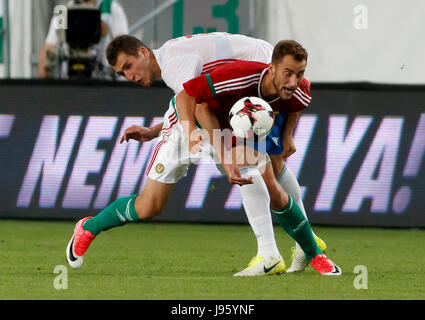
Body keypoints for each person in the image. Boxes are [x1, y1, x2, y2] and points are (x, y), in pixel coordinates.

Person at [66, 33, 327, 275]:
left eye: (128, 66)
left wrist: (216, 146)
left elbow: (199, 105)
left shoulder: (174, 64)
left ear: (144, 52)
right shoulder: (183, 63)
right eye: (121, 73)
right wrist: (158, 131)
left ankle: (276, 253)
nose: (128, 76)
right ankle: (88, 228)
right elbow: (192, 105)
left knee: (261, 166)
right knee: (148, 206)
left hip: (213, 114)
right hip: (201, 116)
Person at [38, 0, 128, 79]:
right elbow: (48, 49)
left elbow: (124, 50)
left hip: (103, 82)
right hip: (69, 81)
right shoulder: (63, 12)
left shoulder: (111, 9)